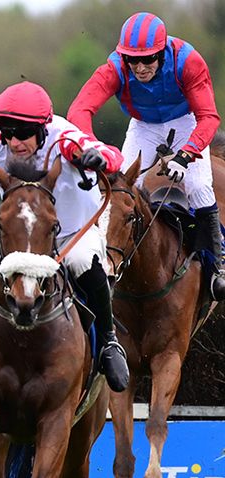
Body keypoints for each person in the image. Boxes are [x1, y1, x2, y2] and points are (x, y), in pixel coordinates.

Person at [0, 81, 130, 392]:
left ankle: (108, 343)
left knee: (83, 261)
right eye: (7, 132)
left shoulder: (65, 138)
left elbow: (108, 154)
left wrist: (97, 159)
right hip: (22, 240)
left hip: (72, 234)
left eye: (22, 133)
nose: (14, 141)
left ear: (43, 129)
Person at [68, 11, 225, 299]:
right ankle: (96, 261)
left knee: (200, 187)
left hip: (185, 122)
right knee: (120, 190)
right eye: (132, 59)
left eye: (148, 59)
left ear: (162, 53)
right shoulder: (114, 68)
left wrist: (186, 155)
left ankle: (219, 266)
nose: (139, 68)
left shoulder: (187, 60)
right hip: (143, 127)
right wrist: (92, 148)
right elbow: (79, 110)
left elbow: (208, 117)